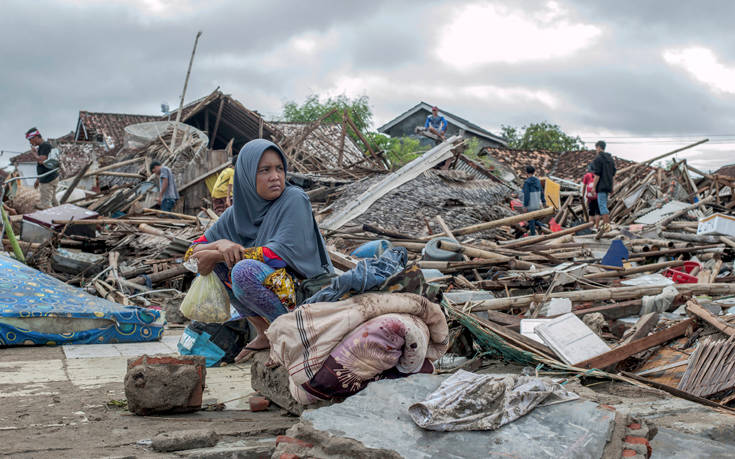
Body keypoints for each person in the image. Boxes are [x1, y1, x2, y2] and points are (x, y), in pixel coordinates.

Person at [184, 139, 333, 363]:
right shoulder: (235, 214)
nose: (275, 176)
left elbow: (276, 256)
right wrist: (219, 245)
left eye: (279, 168)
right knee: (221, 266)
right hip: (278, 292)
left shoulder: (294, 199)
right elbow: (190, 254)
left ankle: (290, 335)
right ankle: (264, 332)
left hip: (308, 293)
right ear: (246, 176)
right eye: (265, 170)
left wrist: (216, 253)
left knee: (243, 271)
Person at [25, 127, 60, 209]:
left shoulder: (45, 146)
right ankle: (61, 216)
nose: (30, 142)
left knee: (46, 204)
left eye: (30, 140)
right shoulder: (43, 146)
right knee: (53, 200)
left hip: (47, 179)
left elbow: (41, 161)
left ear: (35, 137)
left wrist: (34, 153)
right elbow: (43, 166)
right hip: (49, 177)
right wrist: (38, 179)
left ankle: (52, 220)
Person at [591, 140, 616, 233]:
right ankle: (607, 226)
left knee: (602, 207)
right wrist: (612, 187)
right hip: (608, 186)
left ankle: (607, 227)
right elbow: (613, 174)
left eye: (596, 148)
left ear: (598, 147)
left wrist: (593, 187)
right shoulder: (610, 159)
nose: (596, 150)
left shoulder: (598, 159)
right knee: (604, 205)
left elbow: (597, 174)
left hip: (601, 186)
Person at [522, 165, 546, 236]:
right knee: (534, 219)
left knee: (531, 221)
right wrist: (543, 201)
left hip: (530, 204)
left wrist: (525, 205)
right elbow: (542, 191)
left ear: (527, 173)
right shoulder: (538, 180)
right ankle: (544, 226)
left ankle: (533, 236)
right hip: (537, 204)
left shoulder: (527, 182)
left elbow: (526, 195)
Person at [582, 164, 600, 229]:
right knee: (598, 212)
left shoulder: (587, 175)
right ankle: (597, 227)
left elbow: (584, 186)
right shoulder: (598, 175)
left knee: (591, 213)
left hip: (590, 197)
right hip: (598, 196)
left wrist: (583, 195)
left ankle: (590, 227)